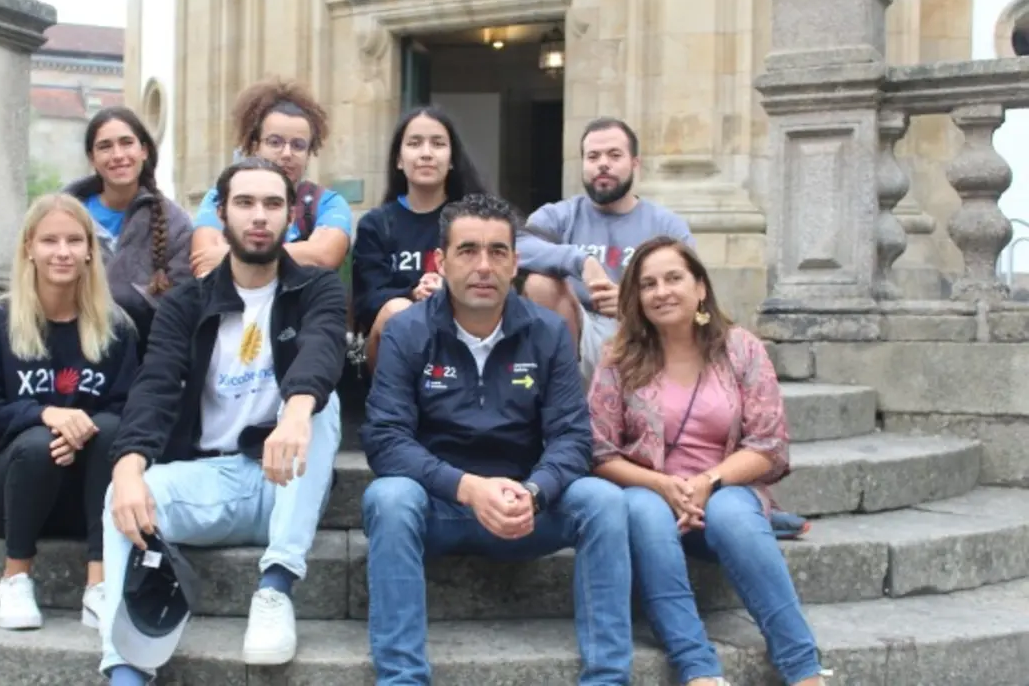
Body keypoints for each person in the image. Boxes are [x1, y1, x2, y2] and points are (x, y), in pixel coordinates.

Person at [360, 193, 633, 685]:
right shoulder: (406, 331)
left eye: (497, 252)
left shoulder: (548, 331)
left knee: (604, 501)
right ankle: (402, 677)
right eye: (467, 251)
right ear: (441, 262)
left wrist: (535, 491)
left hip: (526, 507)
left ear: (516, 262)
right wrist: (467, 487)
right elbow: (385, 439)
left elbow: (572, 437)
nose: (483, 266)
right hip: (440, 505)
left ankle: (608, 678)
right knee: (389, 497)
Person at [97, 157, 347, 684]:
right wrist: (126, 467)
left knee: (322, 407)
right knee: (128, 493)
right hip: (213, 482)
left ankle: (275, 587)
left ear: (289, 218)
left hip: (287, 479)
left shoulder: (316, 289)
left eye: (273, 204)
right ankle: (125, 669)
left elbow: (322, 349)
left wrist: (297, 409)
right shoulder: (187, 302)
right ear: (223, 214)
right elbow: (156, 385)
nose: (260, 216)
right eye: (246, 203)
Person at [589, 236, 828, 686]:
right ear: (636, 298)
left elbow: (769, 444)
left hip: (725, 491)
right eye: (648, 284)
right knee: (642, 510)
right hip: (650, 496)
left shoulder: (741, 349)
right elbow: (598, 451)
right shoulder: (618, 357)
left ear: (700, 287)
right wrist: (663, 486)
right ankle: (698, 670)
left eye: (673, 278)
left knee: (733, 515)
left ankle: (804, 670)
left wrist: (708, 481)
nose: (661, 292)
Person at [0, 193, 139, 631]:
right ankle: (15, 578)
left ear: (90, 251)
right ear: (29, 249)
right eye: (50, 241)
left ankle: (98, 584)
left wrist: (83, 429)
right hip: (4, 493)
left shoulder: (117, 327)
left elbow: (129, 412)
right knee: (39, 444)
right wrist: (45, 414)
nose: (62, 252)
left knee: (113, 429)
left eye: (75, 240)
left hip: (87, 496)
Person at [517, 116, 693, 385]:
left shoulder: (665, 224)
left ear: (635, 163)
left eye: (614, 155)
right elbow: (514, 244)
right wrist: (581, 261)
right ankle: (561, 399)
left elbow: (690, 293)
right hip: (577, 334)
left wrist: (632, 303)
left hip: (645, 333)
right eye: (593, 156)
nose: (602, 164)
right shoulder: (560, 215)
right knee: (540, 284)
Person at [351, 105, 489, 371]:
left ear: (451, 159)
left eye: (438, 144)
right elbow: (366, 302)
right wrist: (413, 294)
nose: (426, 153)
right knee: (397, 310)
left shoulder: (475, 219)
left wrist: (449, 290)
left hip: (464, 334)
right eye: (414, 144)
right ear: (399, 160)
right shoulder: (377, 224)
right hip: (395, 351)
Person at [189, 78, 352, 276]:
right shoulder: (219, 197)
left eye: (298, 145)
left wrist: (233, 255)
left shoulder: (327, 203)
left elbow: (325, 256)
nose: (286, 153)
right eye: (275, 142)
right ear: (255, 146)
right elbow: (204, 263)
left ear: (310, 153)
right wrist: (303, 252)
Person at [65, 106, 194, 358]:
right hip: (70, 352)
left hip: (141, 357)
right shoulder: (64, 215)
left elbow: (182, 302)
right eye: (105, 146)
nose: (118, 155)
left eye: (127, 143)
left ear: (144, 150)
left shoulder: (175, 223)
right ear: (91, 157)